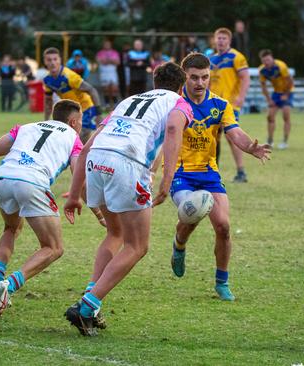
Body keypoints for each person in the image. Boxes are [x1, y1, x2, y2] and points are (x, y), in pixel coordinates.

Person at [62, 62, 192, 336]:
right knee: (137, 246)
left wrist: (74, 196)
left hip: (97, 160)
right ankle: (87, 306)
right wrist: (167, 180)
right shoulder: (180, 102)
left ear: (155, 82)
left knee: (115, 233)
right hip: (127, 163)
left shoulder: (129, 100)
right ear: (181, 87)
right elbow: (172, 132)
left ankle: (90, 302)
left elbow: (86, 147)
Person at [169, 53, 271, 301]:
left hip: (209, 174)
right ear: (185, 78)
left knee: (223, 227)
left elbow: (234, 132)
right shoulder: (174, 104)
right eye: (194, 78)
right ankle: (179, 245)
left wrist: (250, 147)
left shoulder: (220, 105)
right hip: (181, 173)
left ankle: (221, 282)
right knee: (192, 212)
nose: (200, 83)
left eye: (205, 77)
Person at [0, 100, 84, 316]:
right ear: (73, 122)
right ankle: (9, 285)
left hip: (4, 178)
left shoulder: (24, 128)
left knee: (11, 228)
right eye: (80, 122)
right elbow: (79, 173)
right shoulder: (73, 137)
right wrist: (94, 208)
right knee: (53, 248)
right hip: (32, 183)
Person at [209, 27, 250, 182]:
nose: (220, 41)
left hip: (230, 105)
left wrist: (241, 96)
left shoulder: (236, 57)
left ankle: (241, 172)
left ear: (229, 40)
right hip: (213, 104)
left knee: (232, 137)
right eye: (218, 38)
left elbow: (245, 78)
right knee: (212, 137)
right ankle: (213, 171)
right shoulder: (211, 59)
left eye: (223, 38)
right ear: (214, 40)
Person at [42, 47, 102, 143]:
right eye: (49, 60)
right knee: (74, 139)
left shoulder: (69, 76)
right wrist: (45, 121)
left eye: (55, 59)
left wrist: (98, 113)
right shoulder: (47, 80)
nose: (52, 63)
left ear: (60, 60)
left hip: (86, 108)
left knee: (76, 138)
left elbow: (92, 90)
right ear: (45, 61)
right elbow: (48, 101)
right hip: (71, 111)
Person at [258, 49, 293, 148]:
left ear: (272, 58)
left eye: (268, 60)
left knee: (286, 116)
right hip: (276, 93)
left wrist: (286, 94)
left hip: (288, 91)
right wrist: (269, 99)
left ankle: (285, 141)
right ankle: (270, 140)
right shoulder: (262, 70)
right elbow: (263, 86)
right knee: (270, 117)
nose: (266, 62)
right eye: (264, 61)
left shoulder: (281, 66)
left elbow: (290, 81)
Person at [96, 40, 120, 110]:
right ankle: (107, 104)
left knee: (114, 89)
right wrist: (111, 61)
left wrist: (108, 61)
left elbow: (117, 62)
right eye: (105, 44)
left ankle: (115, 104)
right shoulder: (100, 53)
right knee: (105, 89)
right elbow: (100, 61)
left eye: (108, 44)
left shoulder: (114, 52)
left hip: (112, 72)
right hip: (104, 73)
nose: (107, 46)